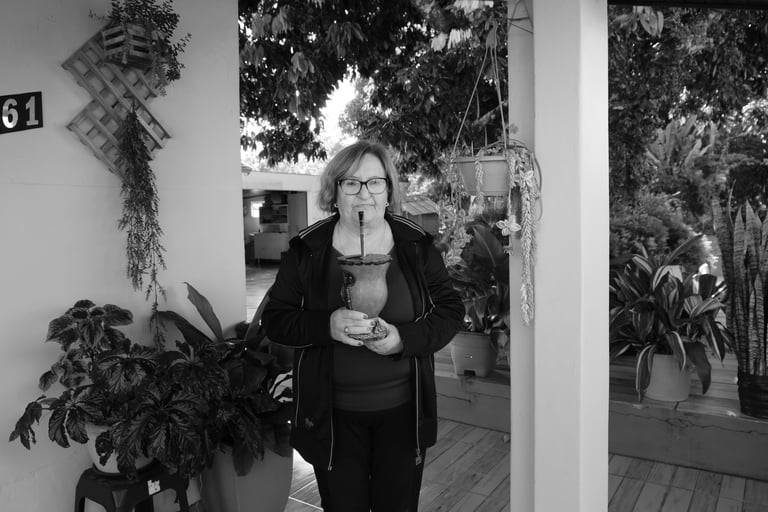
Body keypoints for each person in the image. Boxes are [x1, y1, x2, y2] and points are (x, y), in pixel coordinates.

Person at [262, 140, 464, 512]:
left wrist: (403, 339)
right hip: (332, 417)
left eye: (375, 182)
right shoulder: (307, 251)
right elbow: (275, 320)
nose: (364, 194)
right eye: (351, 183)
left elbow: (451, 310)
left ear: (388, 191)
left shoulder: (415, 246)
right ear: (334, 192)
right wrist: (326, 326)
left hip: (403, 413)